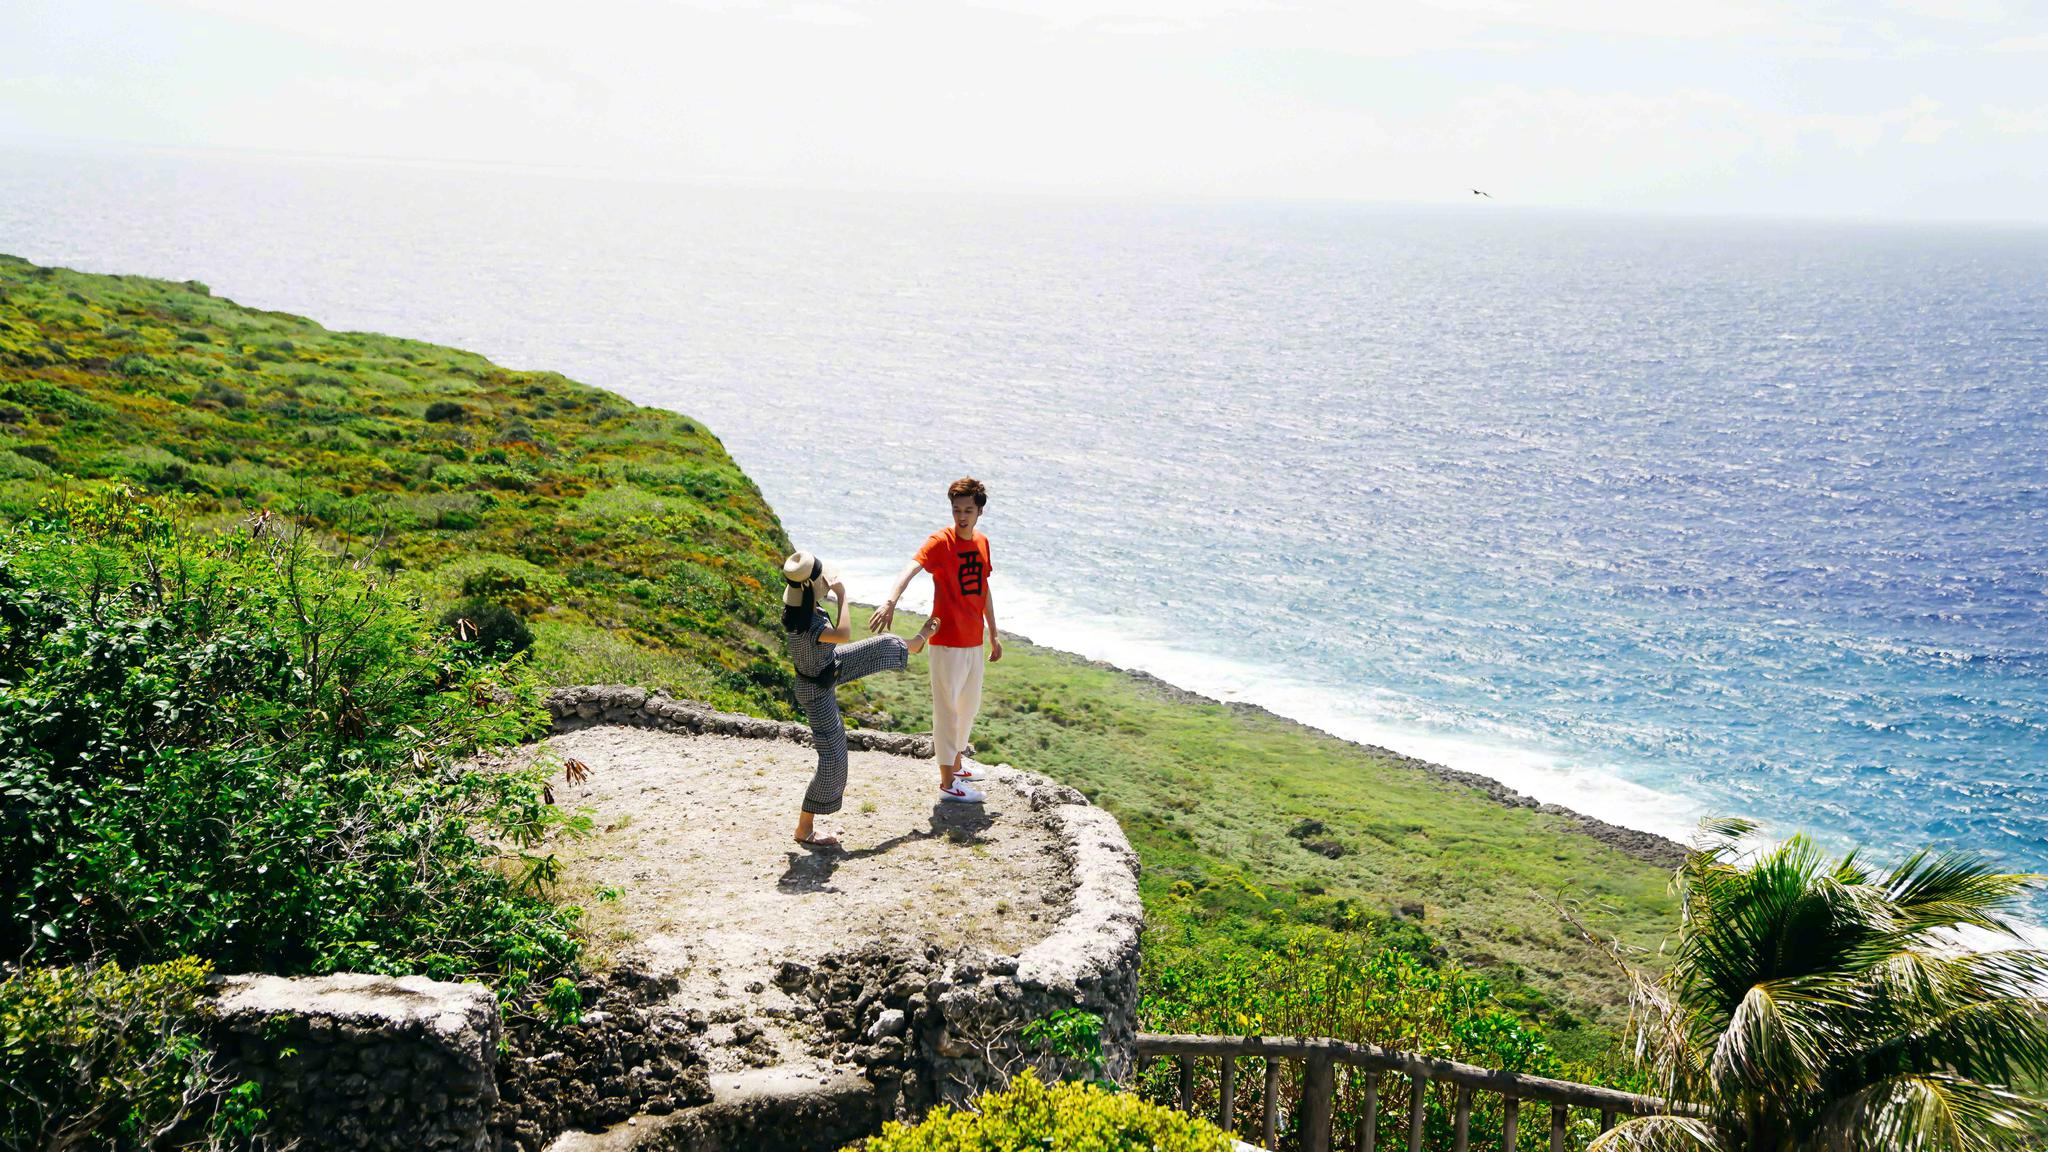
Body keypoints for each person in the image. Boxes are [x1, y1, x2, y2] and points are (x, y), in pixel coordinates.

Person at [783, 550, 939, 848]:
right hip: (817, 689)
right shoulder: (810, 624)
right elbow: (843, 633)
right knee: (834, 759)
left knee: (879, 645)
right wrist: (843, 597)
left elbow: (835, 642)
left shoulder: (800, 610)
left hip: (827, 666)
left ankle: (913, 644)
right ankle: (804, 829)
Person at [868, 477, 1001, 804]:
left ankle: (956, 766)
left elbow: (983, 590)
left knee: (968, 708)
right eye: (956, 510)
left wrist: (994, 634)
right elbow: (910, 569)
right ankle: (947, 784)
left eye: (968, 510)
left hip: (974, 642)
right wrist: (890, 601)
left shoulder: (982, 542)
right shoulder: (940, 542)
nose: (961, 516)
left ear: (980, 511)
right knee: (947, 711)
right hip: (946, 643)